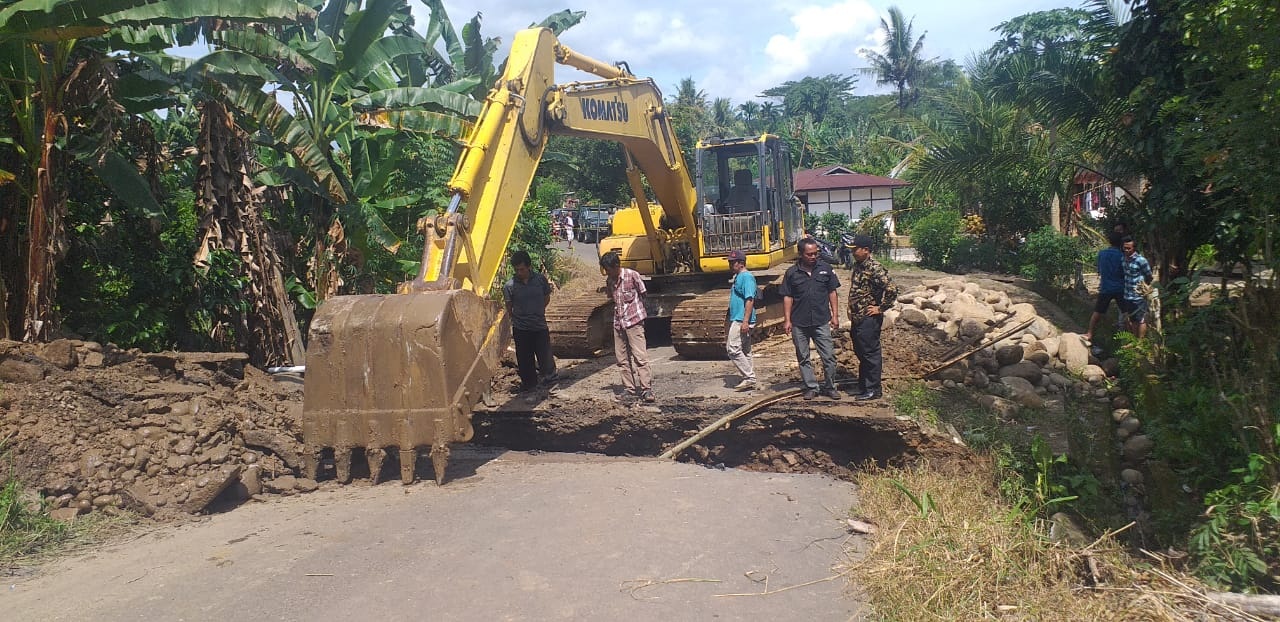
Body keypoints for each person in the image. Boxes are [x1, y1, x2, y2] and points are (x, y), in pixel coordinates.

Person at [780, 238, 842, 400]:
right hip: (799, 322)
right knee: (803, 356)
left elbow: (832, 292)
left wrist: (835, 315)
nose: (813, 256)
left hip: (821, 320)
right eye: (809, 254)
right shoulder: (792, 273)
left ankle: (830, 386)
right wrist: (787, 320)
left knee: (828, 356)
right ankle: (811, 387)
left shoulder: (825, 269)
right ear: (801, 254)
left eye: (815, 253)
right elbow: (787, 296)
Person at [846, 234, 897, 401]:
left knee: (870, 353)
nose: (853, 252)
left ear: (866, 250)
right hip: (858, 317)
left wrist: (880, 308)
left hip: (869, 318)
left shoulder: (875, 268)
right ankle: (864, 386)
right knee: (861, 351)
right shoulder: (859, 266)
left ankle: (873, 389)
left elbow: (891, 289)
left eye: (856, 250)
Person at [503, 251, 557, 400]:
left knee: (544, 354)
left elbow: (546, 298)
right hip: (521, 328)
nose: (519, 273)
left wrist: (537, 310)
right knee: (525, 358)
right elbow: (509, 307)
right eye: (517, 270)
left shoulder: (540, 280)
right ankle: (529, 385)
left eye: (522, 269)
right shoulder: (510, 286)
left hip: (539, 325)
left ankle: (549, 380)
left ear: (529, 267)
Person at [601, 251, 653, 403]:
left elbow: (643, 294)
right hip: (619, 323)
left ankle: (646, 389)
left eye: (608, 269)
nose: (607, 273)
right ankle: (629, 389)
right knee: (622, 358)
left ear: (616, 266)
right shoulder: (610, 281)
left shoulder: (632, 276)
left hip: (634, 322)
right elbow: (612, 298)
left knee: (640, 357)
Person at [1084, 230, 1125, 343]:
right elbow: (1124, 272)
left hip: (1106, 287)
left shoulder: (1102, 254)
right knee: (1126, 313)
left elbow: (1099, 270)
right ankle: (1128, 337)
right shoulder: (1122, 256)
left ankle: (1090, 333)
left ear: (1109, 241)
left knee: (1097, 312)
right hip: (1120, 288)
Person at [725, 250, 757, 391]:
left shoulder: (746, 277)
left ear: (741, 263)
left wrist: (745, 321)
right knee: (745, 349)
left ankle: (749, 377)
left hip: (741, 318)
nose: (730, 265)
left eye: (733, 262)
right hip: (738, 317)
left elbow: (749, 299)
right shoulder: (738, 277)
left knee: (732, 348)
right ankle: (749, 378)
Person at [1121, 236, 1154, 339]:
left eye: (1129, 248)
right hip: (1127, 295)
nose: (1126, 250)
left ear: (1134, 248)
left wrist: (1143, 288)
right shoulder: (1123, 259)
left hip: (1138, 296)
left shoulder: (1141, 260)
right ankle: (1134, 340)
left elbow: (1149, 276)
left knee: (1141, 319)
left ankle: (1140, 342)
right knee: (1132, 319)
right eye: (1124, 248)